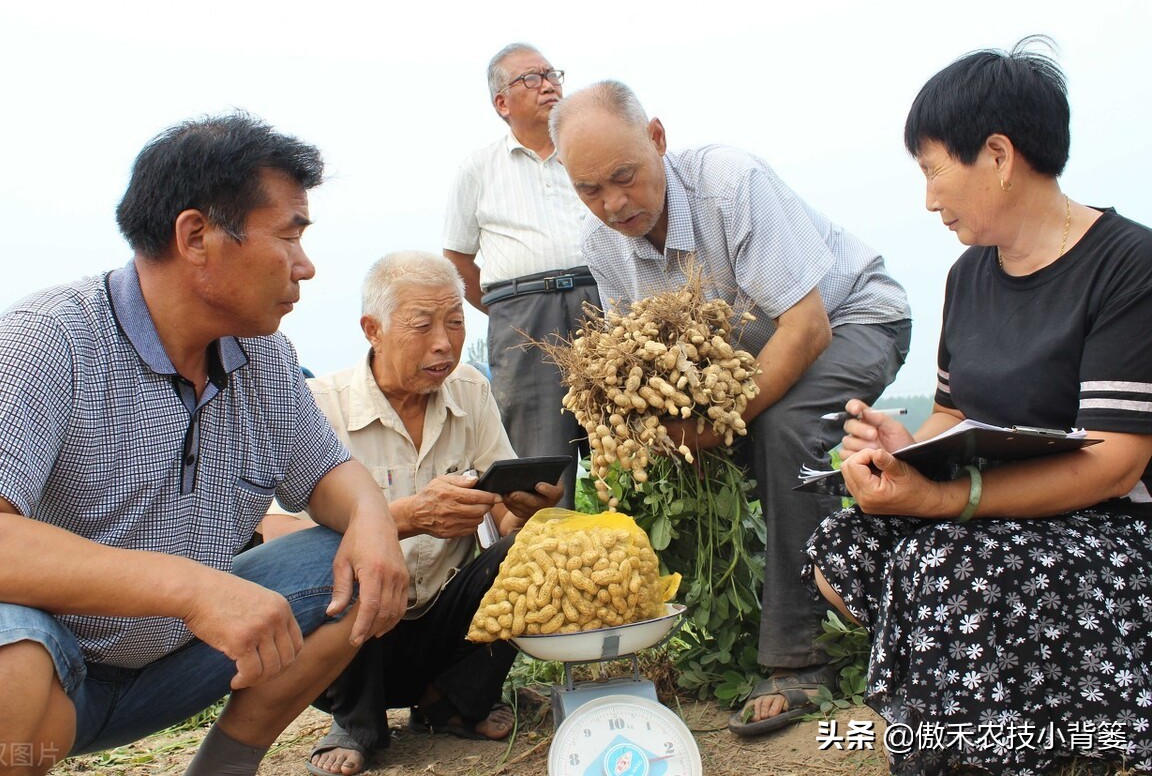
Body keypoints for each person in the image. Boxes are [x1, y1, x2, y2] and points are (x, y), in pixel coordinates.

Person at [0, 113, 410, 776]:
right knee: (0, 664)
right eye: (289, 235)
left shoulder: (261, 357)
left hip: (177, 664)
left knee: (350, 564)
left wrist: (372, 520)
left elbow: (330, 475)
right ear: (197, 237)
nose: (305, 267)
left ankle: (223, 768)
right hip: (53, 672)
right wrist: (191, 588)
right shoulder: (48, 339)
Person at [806, 38, 1152, 775]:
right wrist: (904, 447)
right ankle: (1023, 721)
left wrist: (945, 500)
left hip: (1110, 522)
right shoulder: (968, 275)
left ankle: (1008, 744)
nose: (929, 198)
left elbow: (1117, 463)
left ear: (997, 154)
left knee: (945, 563)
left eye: (933, 170)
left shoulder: (1128, 265)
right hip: (996, 506)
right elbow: (951, 414)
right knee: (844, 546)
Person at [549, 81, 912, 735]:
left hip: (854, 319)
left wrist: (716, 428)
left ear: (657, 138)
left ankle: (801, 659)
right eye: (590, 190)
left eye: (625, 177)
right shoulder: (602, 243)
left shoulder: (730, 183)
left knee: (784, 430)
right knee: (696, 458)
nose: (613, 203)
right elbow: (653, 362)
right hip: (757, 356)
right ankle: (819, 599)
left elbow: (807, 328)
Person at [260, 251, 564, 776]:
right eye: (422, 326)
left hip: (445, 626)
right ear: (372, 330)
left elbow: (504, 520)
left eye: (455, 323)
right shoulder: (318, 404)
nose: (444, 343)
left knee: (535, 549)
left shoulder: (470, 389)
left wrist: (523, 512)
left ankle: (450, 700)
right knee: (343, 556)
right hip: (352, 645)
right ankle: (356, 721)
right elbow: (275, 535)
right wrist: (403, 519)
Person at [443, 42, 599, 508]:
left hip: (601, 307)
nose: (548, 85)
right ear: (502, 102)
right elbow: (457, 259)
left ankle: (637, 544)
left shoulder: (586, 153)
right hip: (525, 320)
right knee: (539, 464)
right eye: (531, 78)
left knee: (629, 439)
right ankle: (546, 550)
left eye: (552, 74)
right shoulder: (478, 168)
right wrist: (507, 311)